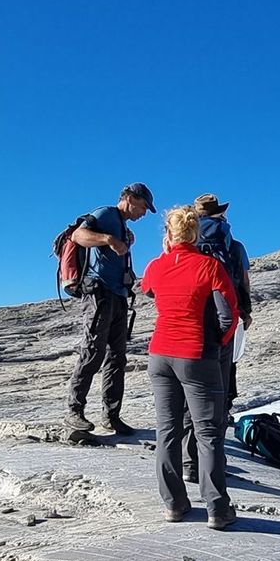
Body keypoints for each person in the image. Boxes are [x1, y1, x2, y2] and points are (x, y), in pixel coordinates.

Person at [138, 206, 242, 530]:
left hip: (160, 355)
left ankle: (174, 505)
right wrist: (218, 346)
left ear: (168, 235)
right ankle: (217, 509)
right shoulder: (210, 266)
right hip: (196, 354)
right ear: (195, 234)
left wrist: (166, 253)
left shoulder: (156, 266)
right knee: (208, 433)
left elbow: (148, 288)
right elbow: (229, 316)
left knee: (167, 430)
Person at [64, 183, 156, 435]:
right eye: (143, 207)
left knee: (117, 356)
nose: (144, 213)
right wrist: (108, 239)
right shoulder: (105, 214)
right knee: (93, 351)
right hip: (99, 293)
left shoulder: (121, 224)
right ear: (129, 198)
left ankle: (112, 416)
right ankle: (74, 411)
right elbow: (78, 237)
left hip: (117, 295)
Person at [182, 193, 252, 481]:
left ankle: (188, 462)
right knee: (222, 387)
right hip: (224, 319)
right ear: (221, 214)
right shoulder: (233, 245)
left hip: (192, 321)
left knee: (191, 389)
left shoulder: (187, 242)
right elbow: (244, 281)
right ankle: (213, 459)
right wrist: (245, 311)